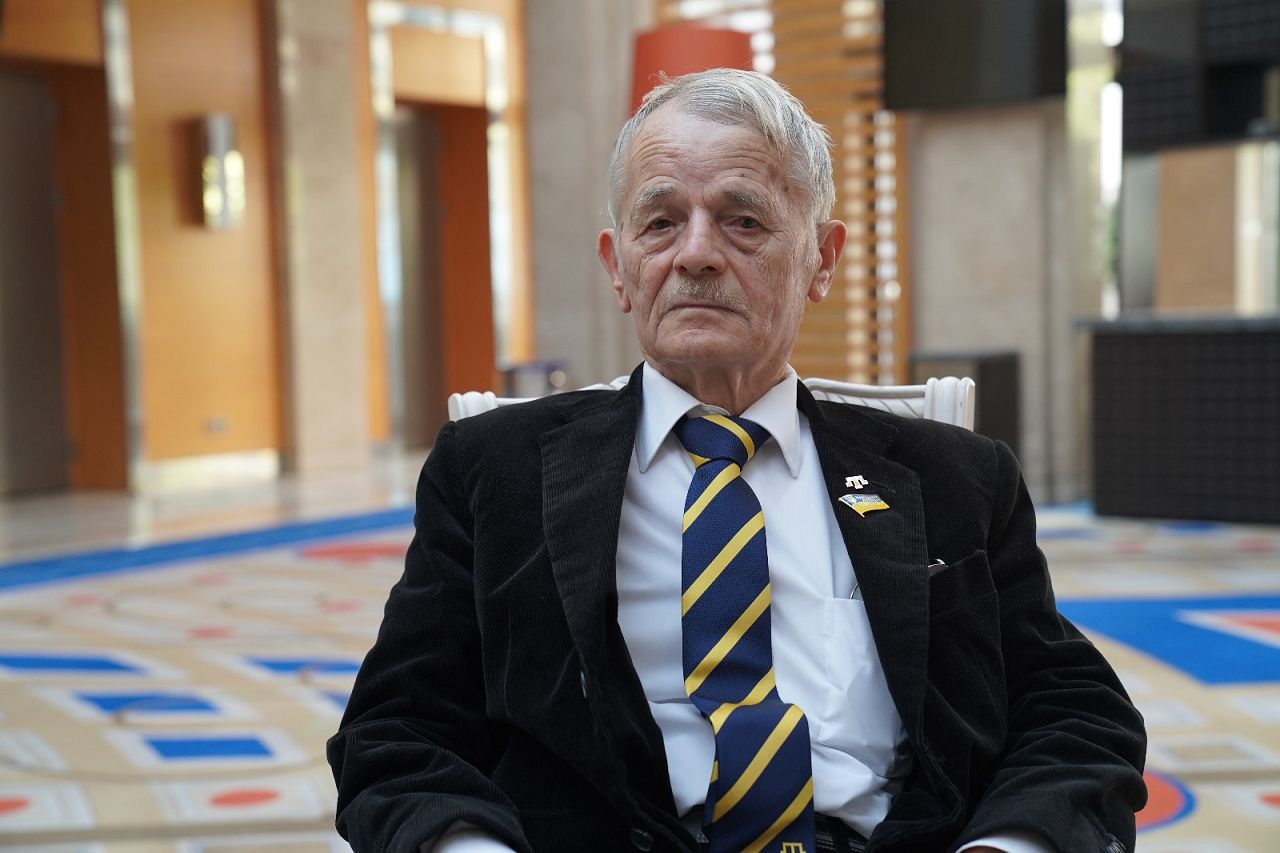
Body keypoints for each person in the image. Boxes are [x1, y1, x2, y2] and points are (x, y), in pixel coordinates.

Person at [328, 69, 1146, 853]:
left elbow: (1070, 708)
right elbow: (398, 727)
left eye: (743, 221)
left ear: (822, 258)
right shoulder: (494, 471)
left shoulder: (953, 478)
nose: (696, 254)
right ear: (618, 266)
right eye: (660, 222)